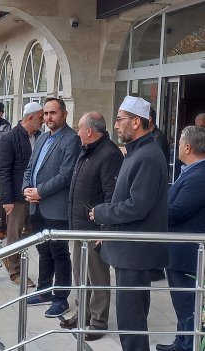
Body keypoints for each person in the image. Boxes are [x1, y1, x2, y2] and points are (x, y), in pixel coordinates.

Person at [90, 96, 169, 351]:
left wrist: (102, 213)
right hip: (129, 249)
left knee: (131, 322)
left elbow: (138, 206)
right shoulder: (138, 151)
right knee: (129, 320)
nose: (115, 125)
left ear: (136, 122)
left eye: (120, 119)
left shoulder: (147, 155)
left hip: (135, 252)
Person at [60, 112, 122, 340]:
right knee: (80, 275)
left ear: (89, 131)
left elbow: (111, 196)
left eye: (79, 128)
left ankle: (98, 321)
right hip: (79, 226)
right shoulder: (86, 150)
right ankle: (82, 315)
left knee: (97, 277)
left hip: (95, 228)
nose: (77, 132)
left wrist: (105, 230)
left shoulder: (109, 154)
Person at [22, 97, 80, 318]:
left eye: (53, 113)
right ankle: (44, 291)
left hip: (55, 208)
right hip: (36, 207)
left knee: (59, 253)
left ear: (64, 114)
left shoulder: (71, 139)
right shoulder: (42, 137)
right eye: (45, 114)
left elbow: (65, 176)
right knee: (43, 251)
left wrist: (40, 191)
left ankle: (60, 298)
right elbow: (30, 167)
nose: (48, 118)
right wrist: (27, 188)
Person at [156, 126, 205, 351]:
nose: (176, 147)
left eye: (178, 143)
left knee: (187, 302)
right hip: (179, 252)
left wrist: (151, 210)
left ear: (187, 146)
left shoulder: (200, 175)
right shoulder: (190, 171)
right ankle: (181, 342)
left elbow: (176, 211)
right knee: (181, 302)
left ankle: (187, 346)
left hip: (187, 254)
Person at [0, 102, 43, 287]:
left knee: (32, 232)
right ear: (30, 117)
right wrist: (7, 200)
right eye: (41, 117)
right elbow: (4, 170)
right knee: (14, 234)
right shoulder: (10, 138)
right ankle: (15, 272)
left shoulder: (41, 137)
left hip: (36, 195)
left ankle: (9, 257)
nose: (43, 121)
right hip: (16, 197)